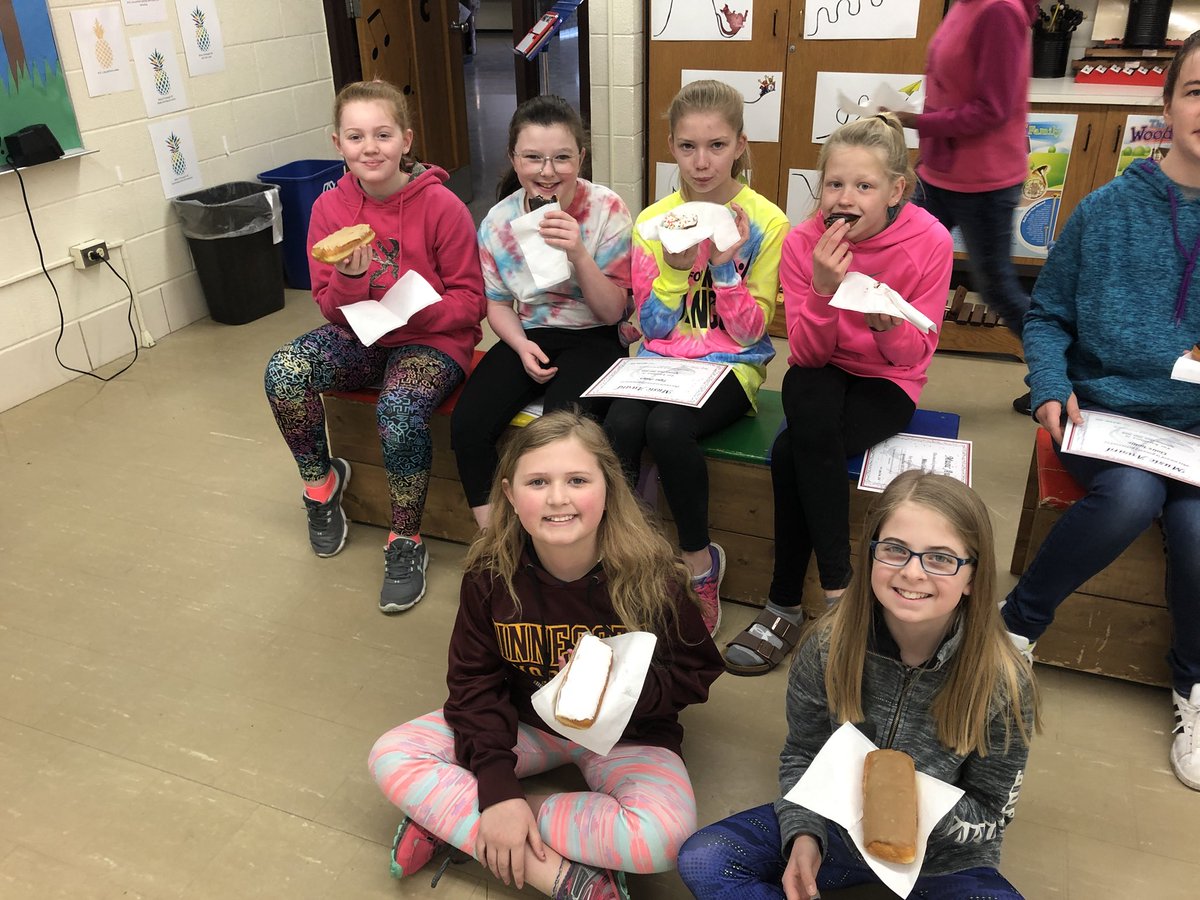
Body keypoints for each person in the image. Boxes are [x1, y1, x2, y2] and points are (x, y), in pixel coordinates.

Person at [369, 411, 724, 899]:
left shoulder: (652, 575)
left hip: (624, 735)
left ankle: (458, 816)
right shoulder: (490, 574)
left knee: (664, 841)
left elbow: (697, 670)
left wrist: (617, 692)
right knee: (392, 754)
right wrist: (497, 783)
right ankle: (562, 878)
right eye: (539, 482)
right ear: (512, 496)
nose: (558, 497)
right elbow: (473, 683)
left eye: (577, 479)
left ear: (609, 490)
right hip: (525, 722)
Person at [678, 470, 1040, 900]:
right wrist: (804, 835)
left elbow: (991, 814)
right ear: (870, 556)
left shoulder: (1004, 680)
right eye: (894, 550)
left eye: (941, 558)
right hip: (834, 830)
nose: (912, 573)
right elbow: (802, 753)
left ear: (973, 579)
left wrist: (905, 805)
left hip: (941, 860)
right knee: (706, 857)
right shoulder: (828, 645)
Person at [1000, 32, 1200, 792]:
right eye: (1197, 91)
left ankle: (1194, 685)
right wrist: (1050, 385)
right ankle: (1016, 626)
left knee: (1197, 525)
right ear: (1168, 102)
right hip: (1105, 416)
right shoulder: (1108, 209)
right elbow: (1047, 313)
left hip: (1195, 429)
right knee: (1131, 495)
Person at [724, 114, 954, 676]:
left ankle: (782, 605)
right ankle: (839, 594)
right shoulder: (806, 242)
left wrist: (882, 321)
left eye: (864, 186)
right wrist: (825, 293)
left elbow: (911, 358)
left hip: (887, 382)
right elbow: (805, 353)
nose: (844, 199)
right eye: (834, 185)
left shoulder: (929, 241)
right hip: (822, 372)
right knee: (809, 394)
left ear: (897, 189)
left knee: (790, 451)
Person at [264, 80, 485, 614]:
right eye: (356, 135)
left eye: (383, 134)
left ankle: (405, 540)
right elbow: (328, 307)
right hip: (361, 335)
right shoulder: (330, 210)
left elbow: (471, 303)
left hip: (432, 342)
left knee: (400, 410)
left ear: (406, 139)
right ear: (336, 142)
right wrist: (351, 283)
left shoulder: (443, 206)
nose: (371, 147)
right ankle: (321, 486)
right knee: (284, 372)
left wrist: (414, 307)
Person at [603, 79, 788, 637]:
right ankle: (627, 558)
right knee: (618, 424)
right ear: (671, 146)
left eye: (716, 145)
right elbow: (651, 328)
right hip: (661, 360)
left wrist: (727, 268)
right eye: (687, 147)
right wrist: (676, 270)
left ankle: (697, 564)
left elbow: (753, 329)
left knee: (666, 427)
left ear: (740, 145)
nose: (702, 162)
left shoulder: (766, 222)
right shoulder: (654, 222)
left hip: (733, 365)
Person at [451, 95, 633, 530]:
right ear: (514, 159)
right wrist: (519, 345)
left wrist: (578, 254)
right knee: (468, 425)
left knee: (560, 431)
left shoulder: (607, 209)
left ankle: (569, 534)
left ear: (581, 158)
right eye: (533, 158)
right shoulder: (497, 222)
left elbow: (613, 313)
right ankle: (497, 538)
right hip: (532, 332)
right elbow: (497, 303)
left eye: (562, 158)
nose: (547, 172)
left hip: (595, 335)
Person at [886, 0, 1039, 413]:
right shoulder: (962, 5)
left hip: (985, 181)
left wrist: (916, 123)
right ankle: (875, 363)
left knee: (998, 288)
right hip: (939, 171)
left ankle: (1060, 378)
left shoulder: (999, 12)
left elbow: (992, 108)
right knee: (893, 258)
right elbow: (949, 88)